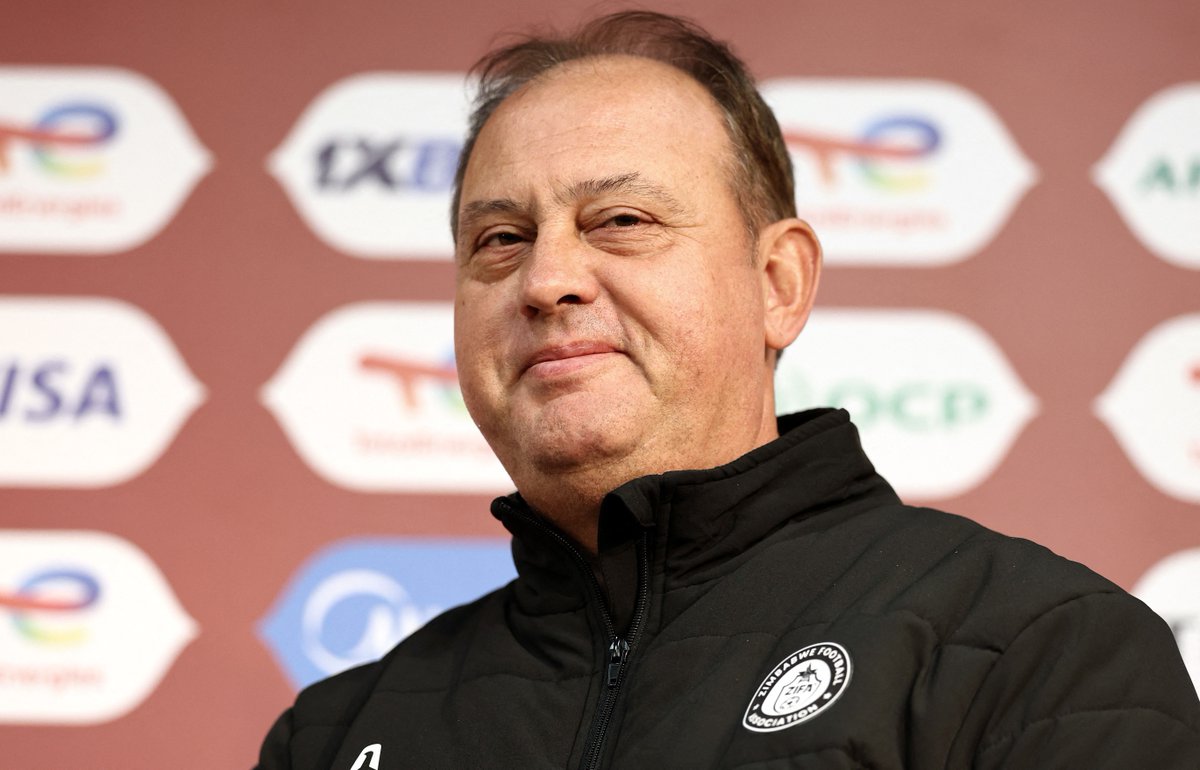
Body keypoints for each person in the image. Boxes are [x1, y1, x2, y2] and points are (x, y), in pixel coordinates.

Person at [257, 11, 1200, 769]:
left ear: (778, 284)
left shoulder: (1033, 652)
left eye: (621, 220)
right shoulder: (335, 736)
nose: (547, 281)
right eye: (500, 239)